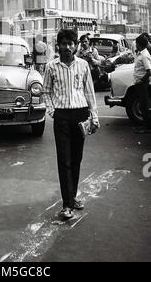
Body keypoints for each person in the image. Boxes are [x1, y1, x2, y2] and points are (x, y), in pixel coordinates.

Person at [43, 29, 100, 220]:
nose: (67, 47)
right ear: (58, 46)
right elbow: (46, 92)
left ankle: (73, 196)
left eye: (70, 43)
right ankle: (67, 205)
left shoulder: (83, 65)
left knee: (76, 159)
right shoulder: (51, 66)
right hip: (62, 117)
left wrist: (94, 117)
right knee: (64, 160)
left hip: (81, 115)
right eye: (64, 44)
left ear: (75, 45)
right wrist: (53, 111)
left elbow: (90, 92)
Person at [133, 34, 151, 133]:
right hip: (139, 83)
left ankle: (147, 127)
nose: (135, 45)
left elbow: (149, 71)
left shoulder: (144, 55)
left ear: (139, 44)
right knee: (142, 105)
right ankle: (144, 125)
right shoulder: (141, 53)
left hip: (142, 84)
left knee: (144, 105)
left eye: (136, 43)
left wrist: (141, 80)